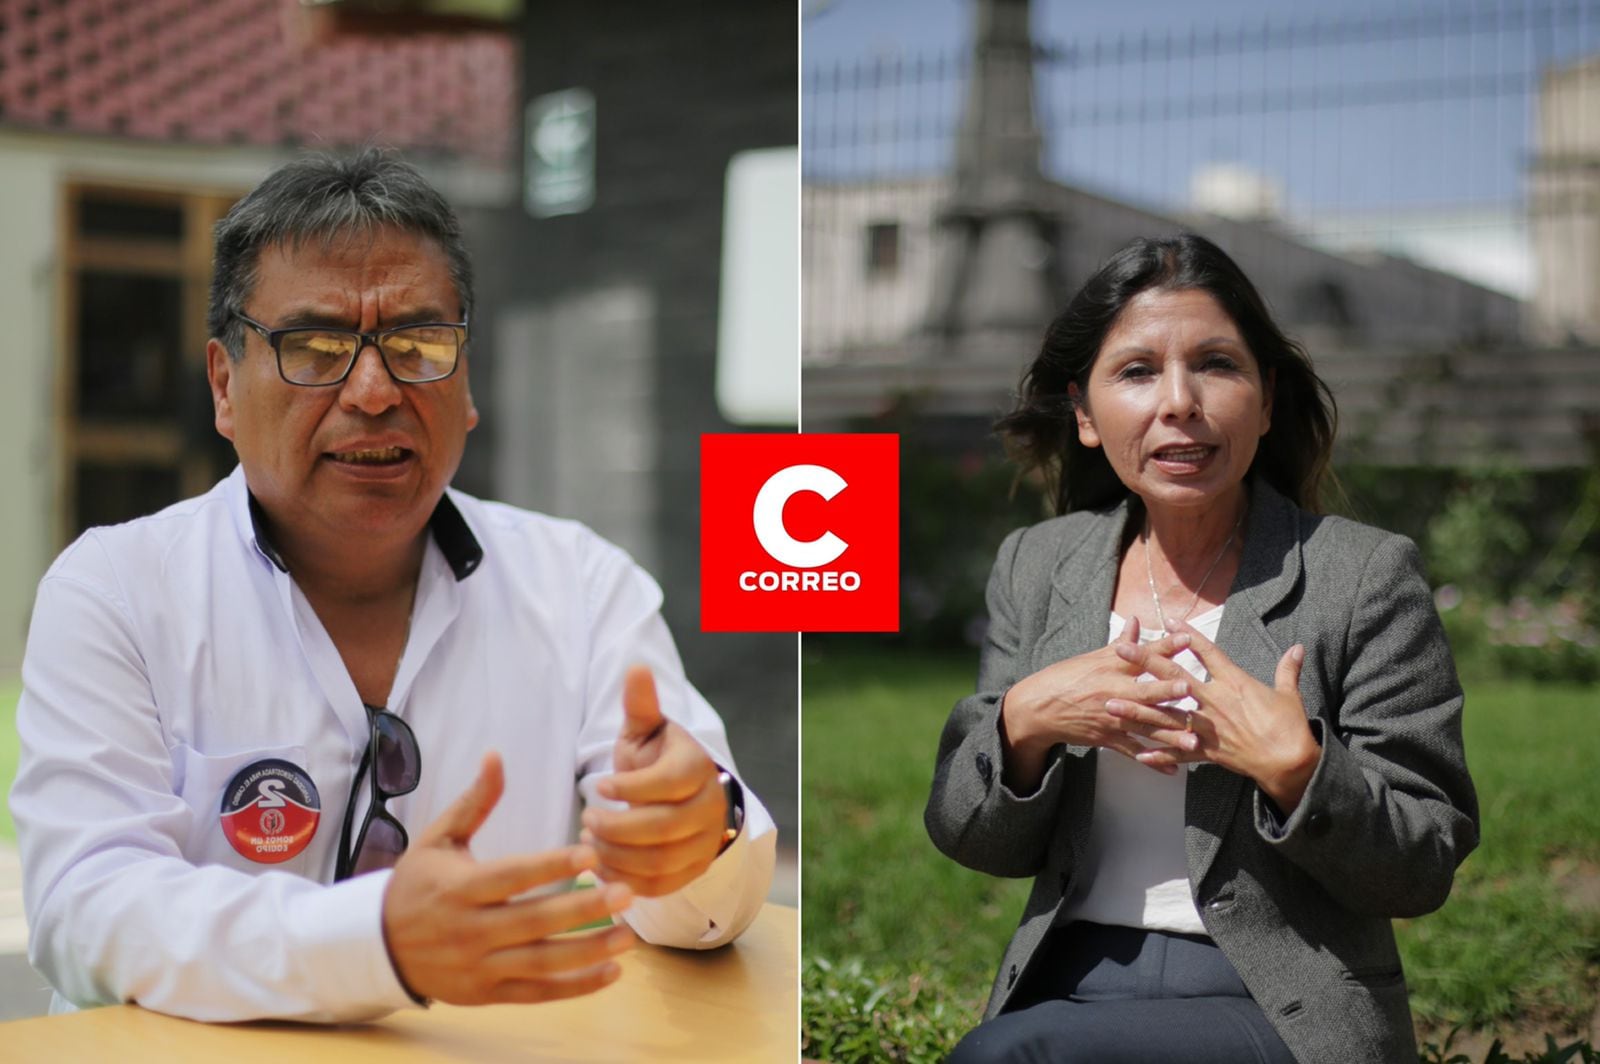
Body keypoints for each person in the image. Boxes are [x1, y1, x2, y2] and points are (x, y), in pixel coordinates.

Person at [11, 148, 775, 1023]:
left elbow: (704, 903)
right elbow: (84, 908)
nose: (373, 392)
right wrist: (372, 942)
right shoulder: (116, 590)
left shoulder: (580, 588)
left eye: (418, 345)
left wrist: (692, 836)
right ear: (224, 385)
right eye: (315, 348)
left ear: (466, 380)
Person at [926, 233, 1478, 1064]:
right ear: (1085, 414)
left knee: (1008, 1057)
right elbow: (971, 840)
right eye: (1137, 371)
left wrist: (1299, 773)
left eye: (1217, 365)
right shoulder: (1038, 565)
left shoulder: (1363, 575)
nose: (1180, 401)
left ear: (1266, 399)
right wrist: (1024, 724)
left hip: (1282, 1001)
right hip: (1067, 978)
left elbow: (1423, 866)